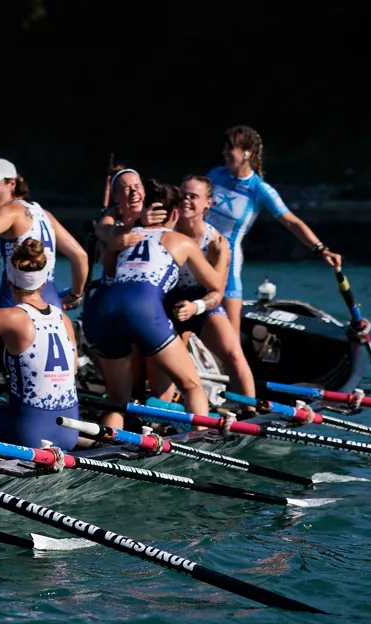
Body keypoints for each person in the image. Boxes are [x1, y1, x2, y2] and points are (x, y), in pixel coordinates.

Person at [82, 179, 225, 430]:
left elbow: (109, 273)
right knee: (192, 386)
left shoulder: (127, 235)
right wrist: (222, 257)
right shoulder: (181, 240)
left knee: (117, 399)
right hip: (143, 308)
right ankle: (200, 445)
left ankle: (107, 447)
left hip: (104, 309)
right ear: (175, 213)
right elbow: (216, 288)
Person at [206, 125, 343, 333]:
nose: (224, 152)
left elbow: (292, 222)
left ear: (246, 153)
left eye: (229, 148)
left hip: (228, 262)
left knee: (231, 335)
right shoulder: (215, 175)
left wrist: (321, 249)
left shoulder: (260, 190)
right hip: (196, 253)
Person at [0, 240, 81, 451]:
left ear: (9, 282)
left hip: (29, 435)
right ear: (43, 283)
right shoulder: (63, 318)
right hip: (70, 432)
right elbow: (74, 368)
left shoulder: (11, 317)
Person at [0, 158, 88, 318]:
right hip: (51, 303)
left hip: (13, 306)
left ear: (12, 184)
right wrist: (75, 296)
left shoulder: (12, 211)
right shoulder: (45, 215)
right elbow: (80, 256)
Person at [162, 175, 256, 399]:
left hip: (202, 302)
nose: (186, 201)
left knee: (233, 353)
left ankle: (249, 412)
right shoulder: (166, 232)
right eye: (183, 195)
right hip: (166, 303)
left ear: (208, 203)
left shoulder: (217, 242)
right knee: (167, 368)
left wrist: (196, 307)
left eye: (193, 197)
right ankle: (160, 418)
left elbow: (217, 293)